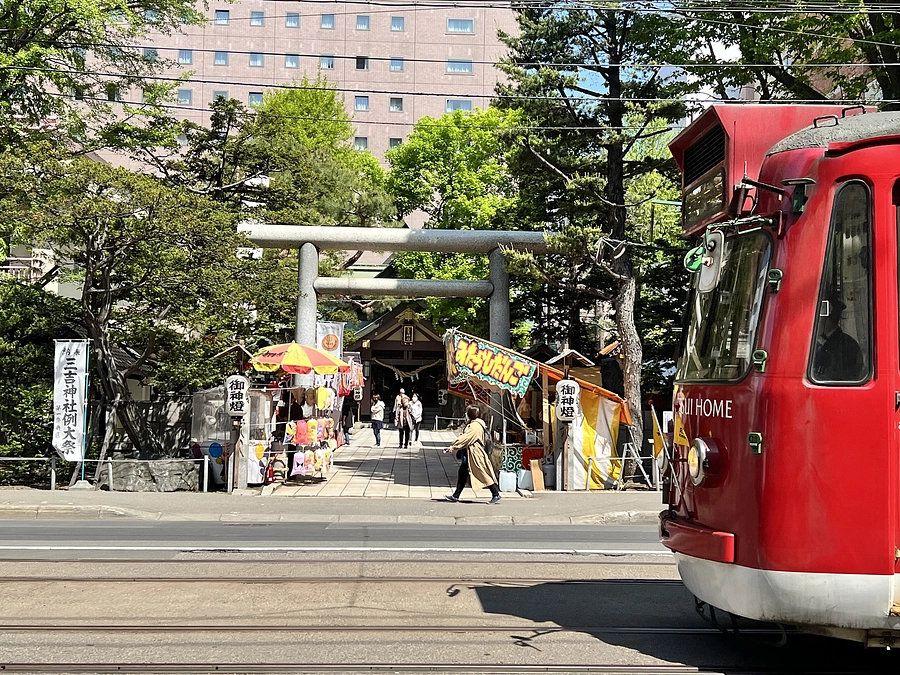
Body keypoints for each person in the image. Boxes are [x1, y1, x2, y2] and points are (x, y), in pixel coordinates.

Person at [444, 405, 501, 504]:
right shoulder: (474, 424)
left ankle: (495, 493)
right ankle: (456, 495)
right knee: (463, 473)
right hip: (469, 453)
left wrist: (453, 446)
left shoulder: (475, 426)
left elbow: (466, 438)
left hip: (475, 453)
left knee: (482, 473)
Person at [813, 296, 864, 381]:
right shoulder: (822, 341)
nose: (816, 323)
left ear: (829, 320)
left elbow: (837, 375)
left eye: (820, 318)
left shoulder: (846, 345)